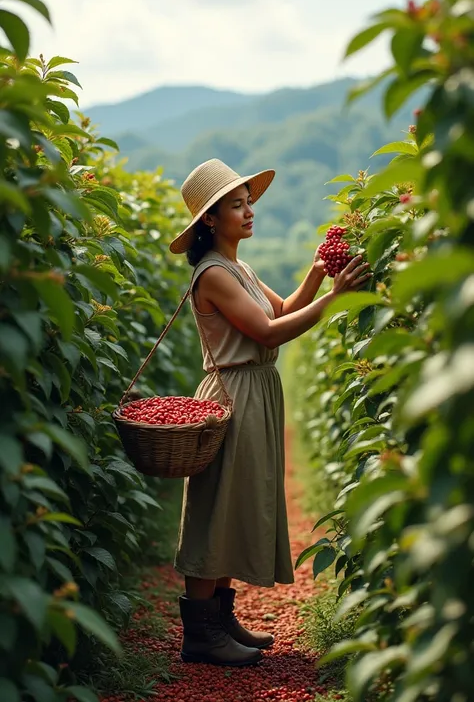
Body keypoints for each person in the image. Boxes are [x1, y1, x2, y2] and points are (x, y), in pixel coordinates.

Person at [168, 158, 371, 667]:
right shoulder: (212, 274)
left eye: (248, 201)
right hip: (231, 397)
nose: (249, 211)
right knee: (215, 510)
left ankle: (220, 619)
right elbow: (269, 333)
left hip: (253, 392)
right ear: (210, 220)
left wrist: (317, 275)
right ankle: (200, 635)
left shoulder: (240, 267)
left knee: (234, 505)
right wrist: (336, 299)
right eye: (237, 206)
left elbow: (279, 310)